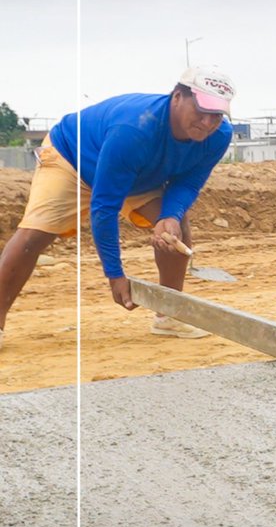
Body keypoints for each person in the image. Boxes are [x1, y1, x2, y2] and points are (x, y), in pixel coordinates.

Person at [0, 66, 235, 350]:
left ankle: (169, 314)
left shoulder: (219, 136)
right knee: (33, 238)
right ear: (176, 97)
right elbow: (104, 207)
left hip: (136, 174)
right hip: (73, 160)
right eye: (201, 110)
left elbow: (188, 182)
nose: (208, 122)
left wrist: (170, 216)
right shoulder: (135, 129)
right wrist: (115, 275)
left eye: (216, 115)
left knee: (176, 230)